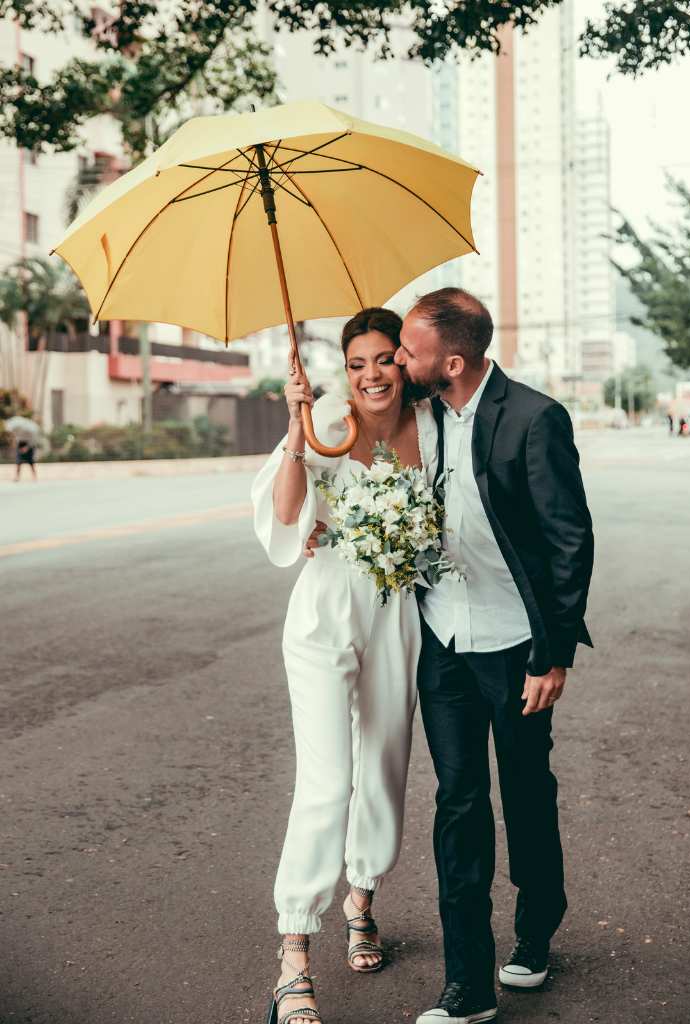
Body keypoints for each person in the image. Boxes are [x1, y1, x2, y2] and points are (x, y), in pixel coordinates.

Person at [392, 288, 594, 1024]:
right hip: (444, 642)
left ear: (451, 360)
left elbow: (569, 540)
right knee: (460, 804)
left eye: (409, 350)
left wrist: (554, 655)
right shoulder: (419, 418)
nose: (398, 359)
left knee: (526, 792)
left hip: (516, 645)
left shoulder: (535, 419)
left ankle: (537, 930)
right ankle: (467, 984)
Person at [251, 308, 439, 1024]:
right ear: (343, 369)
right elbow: (286, 513)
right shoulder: (327, 418)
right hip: (325, 611)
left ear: (405, 363)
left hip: (396, 612)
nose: (371, 375)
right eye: (357, 363)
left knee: (385, 767)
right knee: (327, 782)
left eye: (385, 359)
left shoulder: (435, 426)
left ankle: (363, 896)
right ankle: (293, 957)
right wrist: (298, 428)